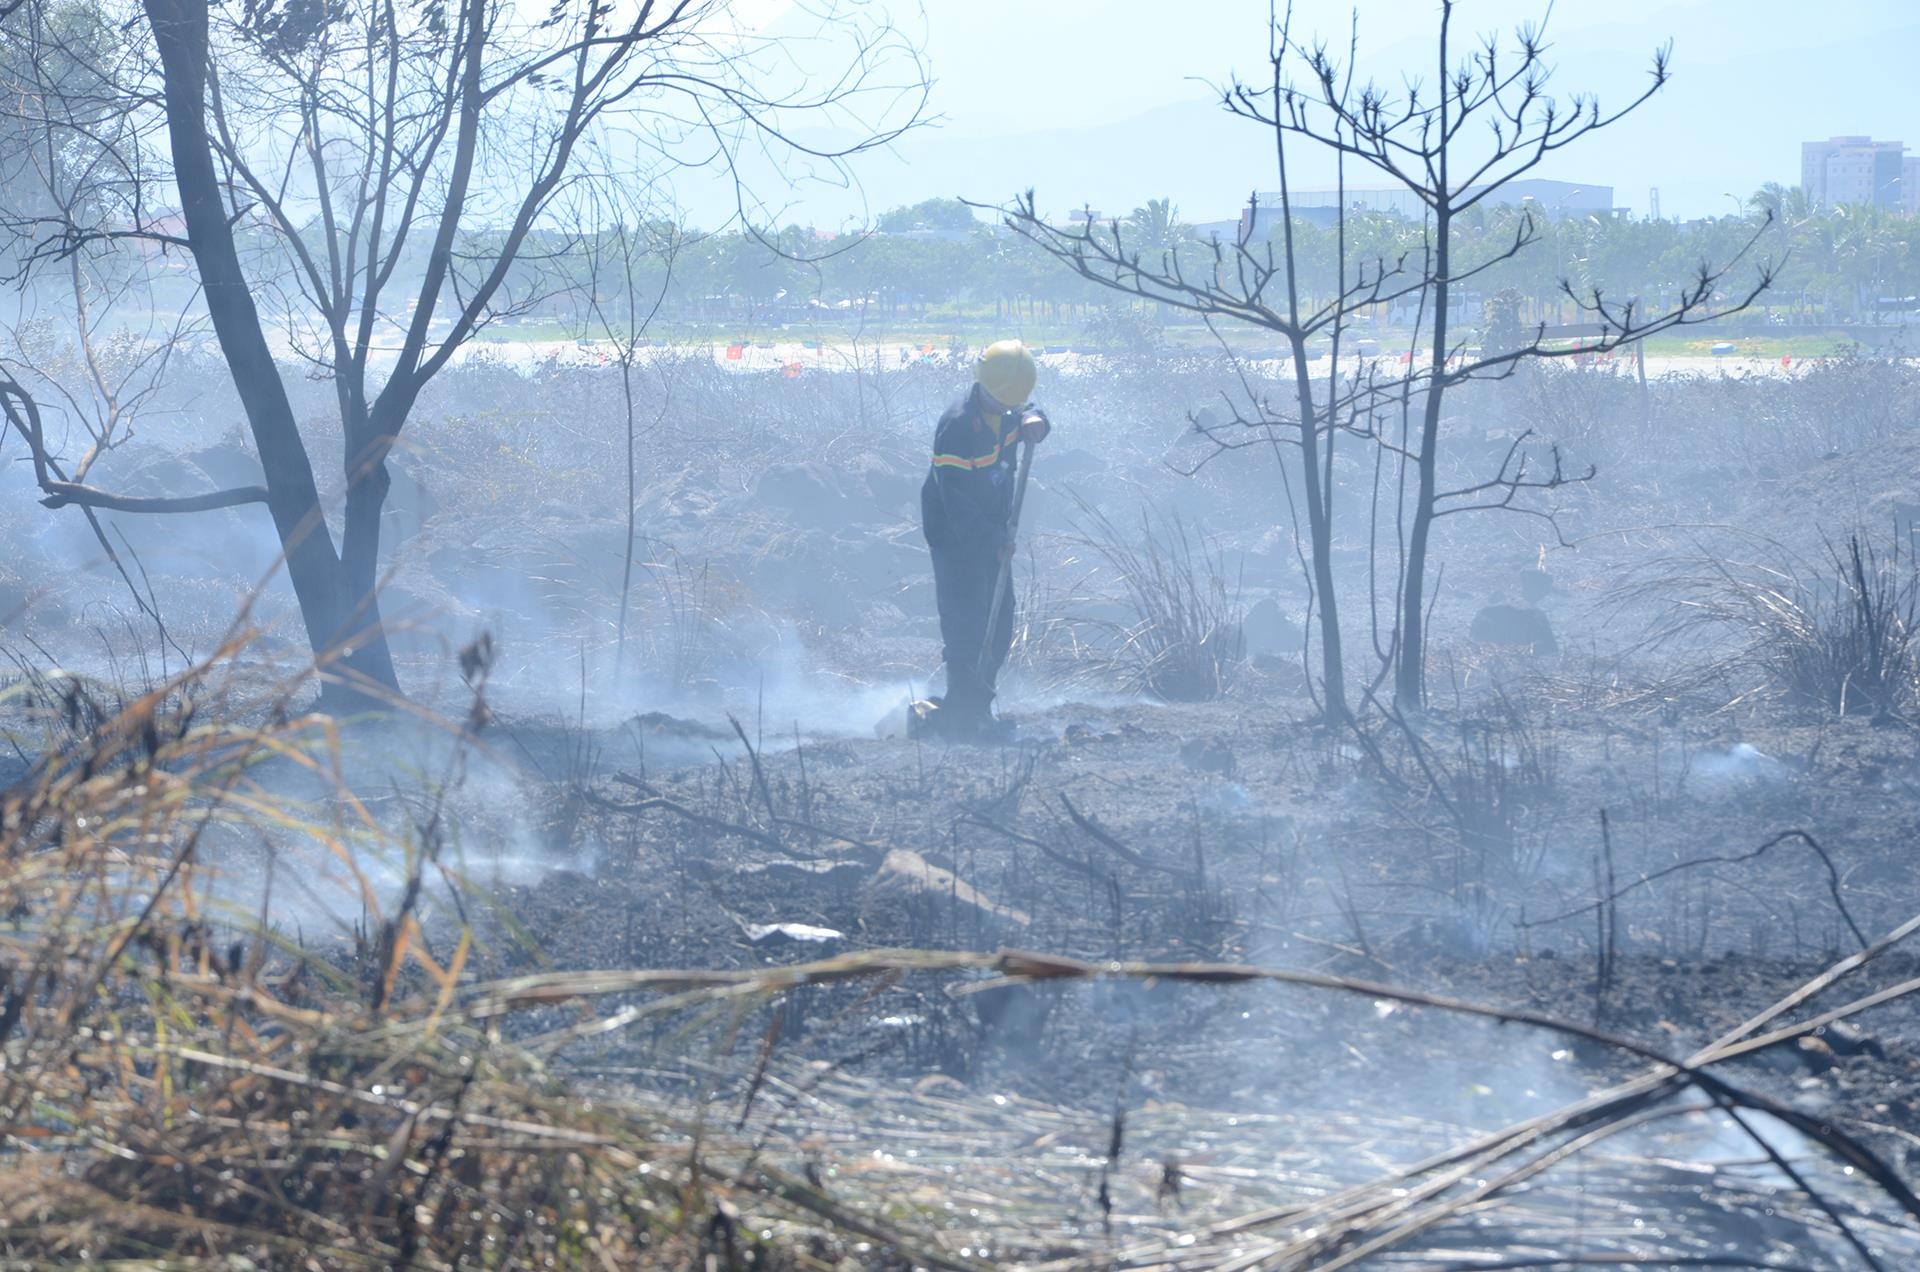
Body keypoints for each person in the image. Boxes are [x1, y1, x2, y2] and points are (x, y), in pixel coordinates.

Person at [919, 339, 1051, 738]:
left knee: (1001, 619)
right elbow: (955, 500)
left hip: (994, 530)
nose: (1007, 410)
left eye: (1013, 406)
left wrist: (1037, 419)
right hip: (956, 537)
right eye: (1002, 403)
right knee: (966, 624)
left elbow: (1029, 411)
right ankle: (960, 712)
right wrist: (992, 540)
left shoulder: (1010, 409)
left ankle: (979, 705)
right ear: (983, 387)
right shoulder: (958, 426)